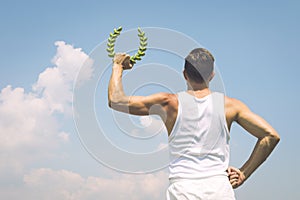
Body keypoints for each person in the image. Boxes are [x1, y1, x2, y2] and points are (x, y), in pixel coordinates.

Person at [108, 49, 280, 199]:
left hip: (183, 190)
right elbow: (270, 136)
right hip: (219, 190)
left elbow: (116, 100)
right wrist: (244, 172)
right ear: (212, 75)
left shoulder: (168, 103)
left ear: (185, 74)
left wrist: (118, 66)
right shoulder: (231, 106)